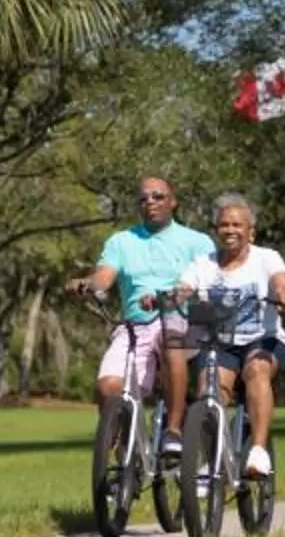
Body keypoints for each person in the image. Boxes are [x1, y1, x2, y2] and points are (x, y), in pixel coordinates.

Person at [74, 174, 215, 461]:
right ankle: (129, 453)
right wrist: (88, 284)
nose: (150, 202)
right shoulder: (122, 241)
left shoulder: (197, 242)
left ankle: (173, 431)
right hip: (135, 326)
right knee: (108, 387)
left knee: (170, 341)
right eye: (143, 198)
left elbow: (210, 283)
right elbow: (105, 276)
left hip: (181, 322)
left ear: (173, 202)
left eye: (158, 196)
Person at [174, 192, 285, 478]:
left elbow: (282, 283)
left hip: (263, 339)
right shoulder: (203, 264)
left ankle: (257, 450)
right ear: (216, 230)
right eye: (224, 225)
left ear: (250, 232)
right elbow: (183, 288)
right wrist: (167, 298)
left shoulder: (267, 257)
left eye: (237, 225)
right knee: (209, 391)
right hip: (221, 345)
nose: (230, 230)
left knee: (256, 370)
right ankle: (210, 461)